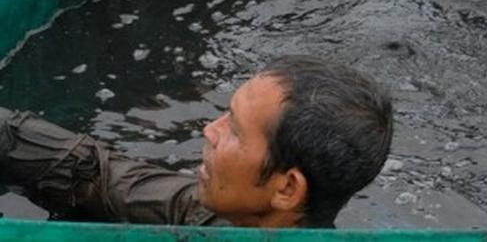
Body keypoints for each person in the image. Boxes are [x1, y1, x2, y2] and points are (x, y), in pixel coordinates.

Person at [0, 56, 392, 228]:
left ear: (287, 188)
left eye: (234, 131)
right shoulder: (223, 215)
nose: (209, 130)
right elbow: (96, 175)